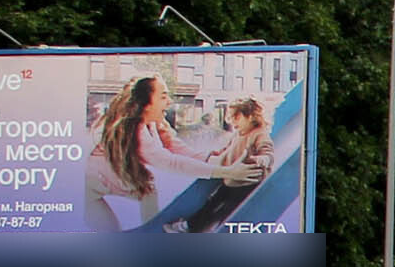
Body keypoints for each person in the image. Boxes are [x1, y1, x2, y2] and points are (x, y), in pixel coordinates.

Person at [82, 75, 263, 231]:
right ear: (146, 104)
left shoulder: (154, 123)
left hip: (116, 182)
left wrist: (213, 160)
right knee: (115, 228)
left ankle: (153, 238)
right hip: (90, 191)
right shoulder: (134, 130)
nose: (169, 102)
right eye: (163, 96)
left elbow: (177, 148)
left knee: (148, 189)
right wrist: (227, 172)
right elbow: (171, 162)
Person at [179, 97, 276, 233]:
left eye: (236, 117)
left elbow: (267, 151)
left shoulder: (259, 134)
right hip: (231, 179)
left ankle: (212, 229)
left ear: (250, 116)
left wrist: (263, 159)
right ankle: (191, 226)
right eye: (230, 117)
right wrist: (212, 155)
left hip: (247, 183)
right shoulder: (237, 135)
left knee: (229, 209)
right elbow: (225, 150)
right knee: (212, 202)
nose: (232, 121)